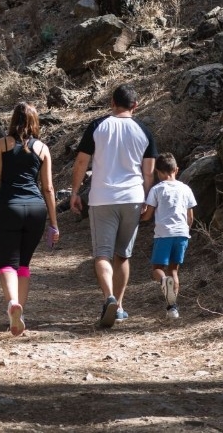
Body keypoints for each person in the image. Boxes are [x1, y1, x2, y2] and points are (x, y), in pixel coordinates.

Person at [70, 84, 158, 328]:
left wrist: (75, 192)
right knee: (123, 255)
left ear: (112, 102)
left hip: (102, 198)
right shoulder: (144, 131)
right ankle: (118, 306)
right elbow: (148, 173)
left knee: (102, 254)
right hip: (133, 198)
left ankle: (108, 297)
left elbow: (81, 162)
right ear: (135, 105)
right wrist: (147, 199)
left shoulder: (97, 126)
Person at [0, 102, 61, 336]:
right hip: (36, 209)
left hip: (9, 207)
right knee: (24, 264)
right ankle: (20, 316)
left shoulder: (3, 144)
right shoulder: (43, 148)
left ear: (13, 120)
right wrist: (54, 222)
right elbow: (48, 188)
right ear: (35, 122)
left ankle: (13, 304)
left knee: (7, 262)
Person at [141, 153, 196, 319]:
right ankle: (172, 308)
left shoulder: (157, 189)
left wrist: (138, 218)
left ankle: (164, 281)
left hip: (163, 234)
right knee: (174, 270)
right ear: (176, 170)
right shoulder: (186, 189)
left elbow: (148, 215)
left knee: (157, 269)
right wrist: (185, 230)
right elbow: (190, 217)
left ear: (158, 172)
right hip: (182, 234)